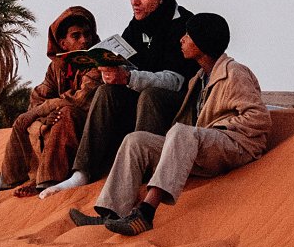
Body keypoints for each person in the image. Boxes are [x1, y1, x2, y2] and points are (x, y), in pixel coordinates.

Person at [68, 13, 272, 235]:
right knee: (136, 141)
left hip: (237, 146)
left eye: (188, 35)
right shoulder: (198, 78)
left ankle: (145, 213)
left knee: (182, 133)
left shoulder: (234, 72)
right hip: (203, 148)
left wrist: (216, 129)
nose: (181, 39)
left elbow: (259, 118)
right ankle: (111, 214)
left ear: (202, 42)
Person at [40, 0, 199, 199]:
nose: (135, 2)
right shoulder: (135, 26)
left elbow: (176, 81)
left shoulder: (183, 25)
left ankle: (142, 171)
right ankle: (83, 172)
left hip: (180, 106)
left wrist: (129, 77)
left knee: (150, 95)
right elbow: (127, 63)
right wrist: (111, 70)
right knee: (106, 92)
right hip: (139, 104)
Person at [0, 6, 103, 197]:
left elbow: (80, 100)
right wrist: (44, 117)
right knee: (23, 121)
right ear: (63, 43)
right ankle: (7, 186)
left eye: (87, 34)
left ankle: (47, 182)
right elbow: (38, 98)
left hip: (91, 128)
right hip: (60, 120)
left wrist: (48, 109)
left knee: (65, 114)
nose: (84, 40)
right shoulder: (56, 68)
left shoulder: (98, 63)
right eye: (76, 36)